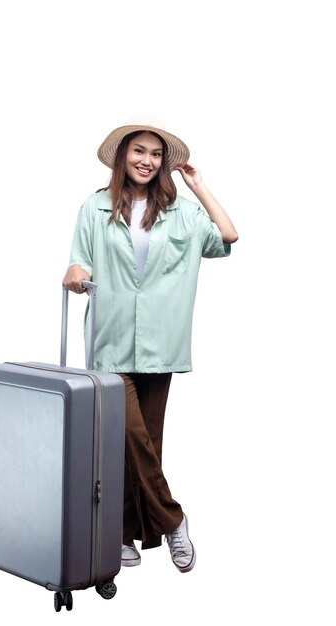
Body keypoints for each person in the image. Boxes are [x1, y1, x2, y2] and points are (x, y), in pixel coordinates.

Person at [63, 122, 238, 573]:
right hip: (110, 338)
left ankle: (125, 534)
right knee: (130, 435)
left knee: (146, 444)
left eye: (157, 155)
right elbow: (79, 258)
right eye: (139, 151)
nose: (148, 160)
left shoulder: (180, 210)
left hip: (161, 341)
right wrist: (76, 275)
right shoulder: (94, 206)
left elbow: (229, 236)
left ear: (165, 163)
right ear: (122, 156)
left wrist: (197, 185)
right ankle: (173, 519)